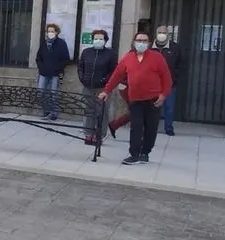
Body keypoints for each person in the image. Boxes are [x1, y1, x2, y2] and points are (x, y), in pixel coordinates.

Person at [99, 32, 173, 165]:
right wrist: (106, 91)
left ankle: (145, 153)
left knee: (151, 128)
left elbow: (167, 78)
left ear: (149, 43)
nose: (141, 43)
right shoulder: (128, 57)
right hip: (135, 99)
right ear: (134, 42)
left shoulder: (157, 57)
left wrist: (163, 95)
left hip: (154, 99)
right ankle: (134, 154)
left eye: (144, 41)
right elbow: (116, 75)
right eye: (139, 40)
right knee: (136, 127)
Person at [77, 29, 117, 146]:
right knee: (89, 111)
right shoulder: (86, 52)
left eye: (100, 39)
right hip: (88, 86)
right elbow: (80, 67)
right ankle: (88, 134)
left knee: (102, 112)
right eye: (96, 38)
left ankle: (99, 135)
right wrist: (83, 79)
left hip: (103, 88)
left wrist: (104, 81)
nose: (98, 40)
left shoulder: (110, 54)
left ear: (105, 40)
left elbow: (113, 71)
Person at [35, 23, 71, 120]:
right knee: (41, 91)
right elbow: (38, 57)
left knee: (54, 94)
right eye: (48, 31)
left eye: (52, 31)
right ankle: (46, 111)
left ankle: (53, 113)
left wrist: (58, 68)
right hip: (44, 73)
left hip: (55, 73)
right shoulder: (44, 43)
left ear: (56, 32)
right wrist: (41, 68)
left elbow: (66, 59)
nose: (50, 33)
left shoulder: (61, 43)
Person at [151, 25, 182, 136]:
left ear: (168, 35)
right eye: (159, 32)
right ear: (156, 34)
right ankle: (151, 127)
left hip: (169, 84)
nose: (161, 35)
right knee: (152, 107)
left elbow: (180, 65)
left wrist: (175, 77)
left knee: (169, 107)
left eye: (164, 33)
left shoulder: (175, 48)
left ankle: (168, 128)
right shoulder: (150, 47)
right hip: (152, 84)